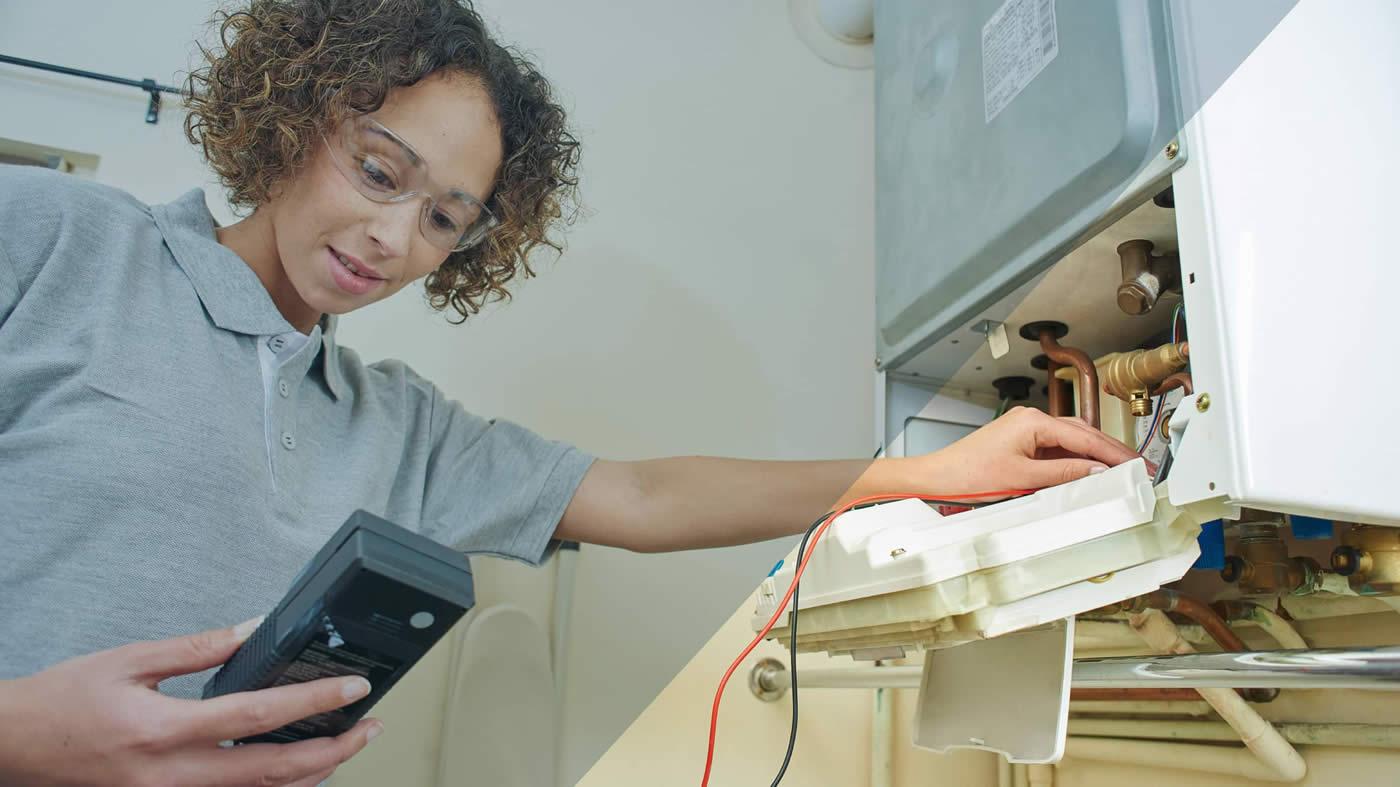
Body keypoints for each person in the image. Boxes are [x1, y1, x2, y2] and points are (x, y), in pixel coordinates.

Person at [0, 0, 1137, 784]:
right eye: (379, 170)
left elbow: (639, 496)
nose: (392, 237)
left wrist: (924, 472)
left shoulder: (393, 427)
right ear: (297, 118)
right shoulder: (58, 245)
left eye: (443, 218)